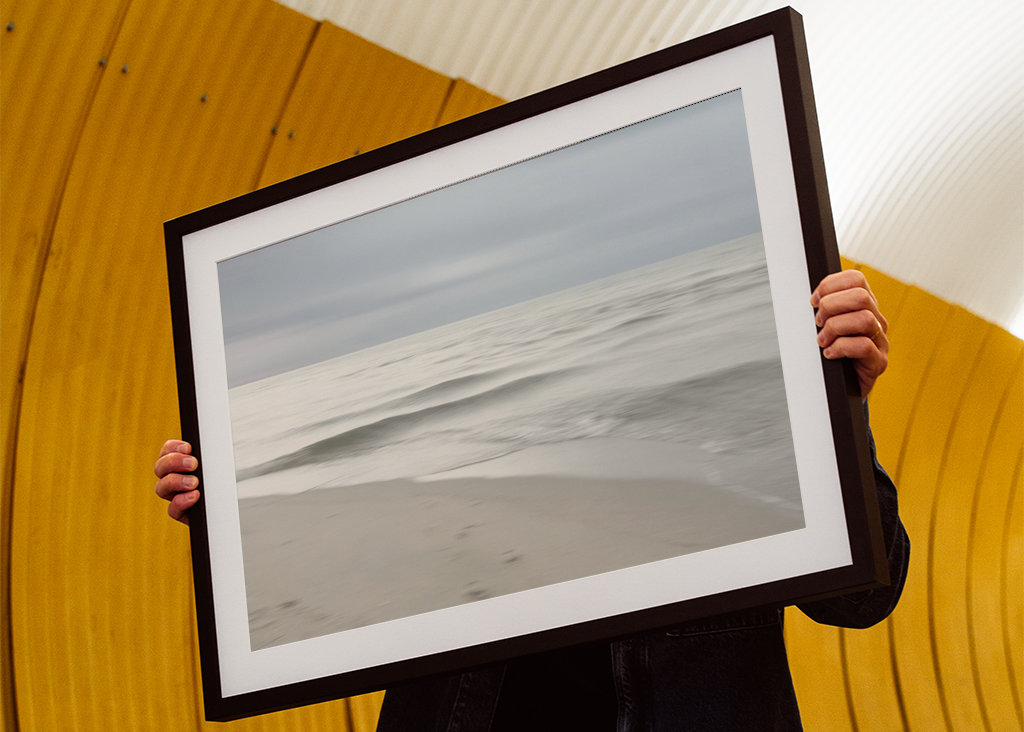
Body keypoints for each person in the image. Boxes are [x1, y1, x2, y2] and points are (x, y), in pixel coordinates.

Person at [154, 269, 909, 731]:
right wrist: (232, 504)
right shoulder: (459, 469)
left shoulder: (764, 399)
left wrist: (840, 404)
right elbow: (342, 572)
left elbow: (865, 597)